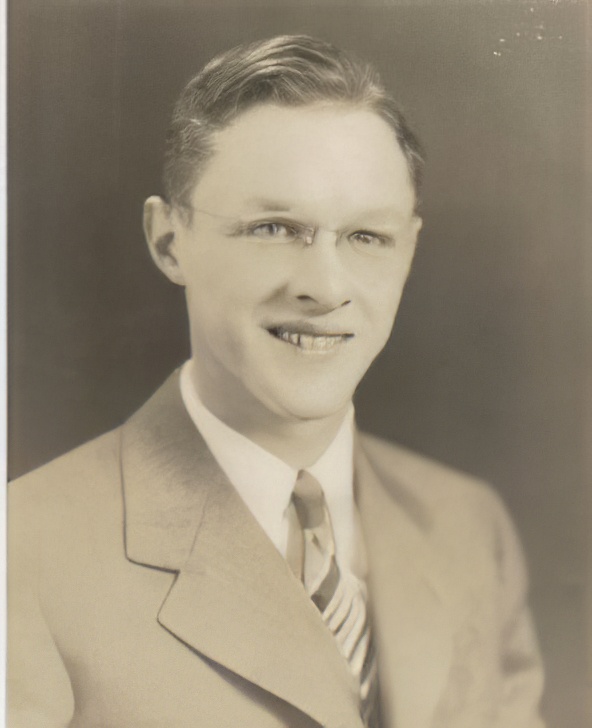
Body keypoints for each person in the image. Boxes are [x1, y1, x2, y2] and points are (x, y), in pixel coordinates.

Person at [7, 35, 546, 728]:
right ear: (169, 240)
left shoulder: (469, 527)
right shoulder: (24, 554)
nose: (325, 287)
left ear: (409, 249)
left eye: (366, 237)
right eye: (273, 228)